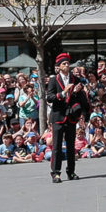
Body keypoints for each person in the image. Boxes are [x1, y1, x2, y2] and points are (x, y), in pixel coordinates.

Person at [46, 55, 87, 183]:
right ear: (59, 66)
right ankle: (55, 173)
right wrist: (63, 92)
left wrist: (76, 91)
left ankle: (71, 171)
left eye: (68, 63)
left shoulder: (75, 79)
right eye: (64, 64)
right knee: (57, 146)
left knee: (71, 146)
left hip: (71, 116)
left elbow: (80, 98)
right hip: (58, 116)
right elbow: (49, 97)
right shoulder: (54, 80)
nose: (67, 66)